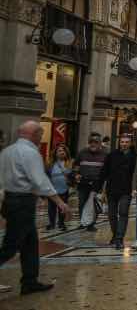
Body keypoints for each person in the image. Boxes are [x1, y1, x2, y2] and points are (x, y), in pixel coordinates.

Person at [0, 121, 71, 295]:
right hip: (22, 202)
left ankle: (29, 281)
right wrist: (60, 202)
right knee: (11, 245)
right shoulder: (30, 153)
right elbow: (40, 181)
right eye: (40, 134)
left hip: (11, 200)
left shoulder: (6, 151)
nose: (41, 137)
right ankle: (29, 281)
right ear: (34, 134)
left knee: (30, 244)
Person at [98, 134, 137, 249]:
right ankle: (115, 235)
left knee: (123, 212)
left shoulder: (135, 156)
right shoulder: (112, 155)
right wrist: (99, 189)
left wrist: (136, 188)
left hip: (126, 190)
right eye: (122, 142)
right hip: (112, 189)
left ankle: (119, 238)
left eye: (126, 142)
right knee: (111, 215)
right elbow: (104, 172)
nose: (124, 144)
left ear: (130, 143)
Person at [73, 132, 107, 231]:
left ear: (100, 143)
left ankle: (91, 224)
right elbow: (75, 166)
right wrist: (76, 174)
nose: (93, 144)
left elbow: (108, 169)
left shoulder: (105, 154)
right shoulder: (82, 152)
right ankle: (83, 222)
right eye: (91, 142)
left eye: (95, 142)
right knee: (82, 203)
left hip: (97, 183)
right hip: (83, 182)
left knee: (94, 204)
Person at [45, 144, 72, 231]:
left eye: (63, 150)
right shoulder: (50, 164)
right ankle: (51, 223)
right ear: (55, 153)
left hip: (64, 188)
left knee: (63, 207)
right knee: (51, 207)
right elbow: (46, 175)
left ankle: (61, 223)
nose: (61, 152)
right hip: (52, 189)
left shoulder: (69, 163)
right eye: (59, 151)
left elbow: (71, 175)